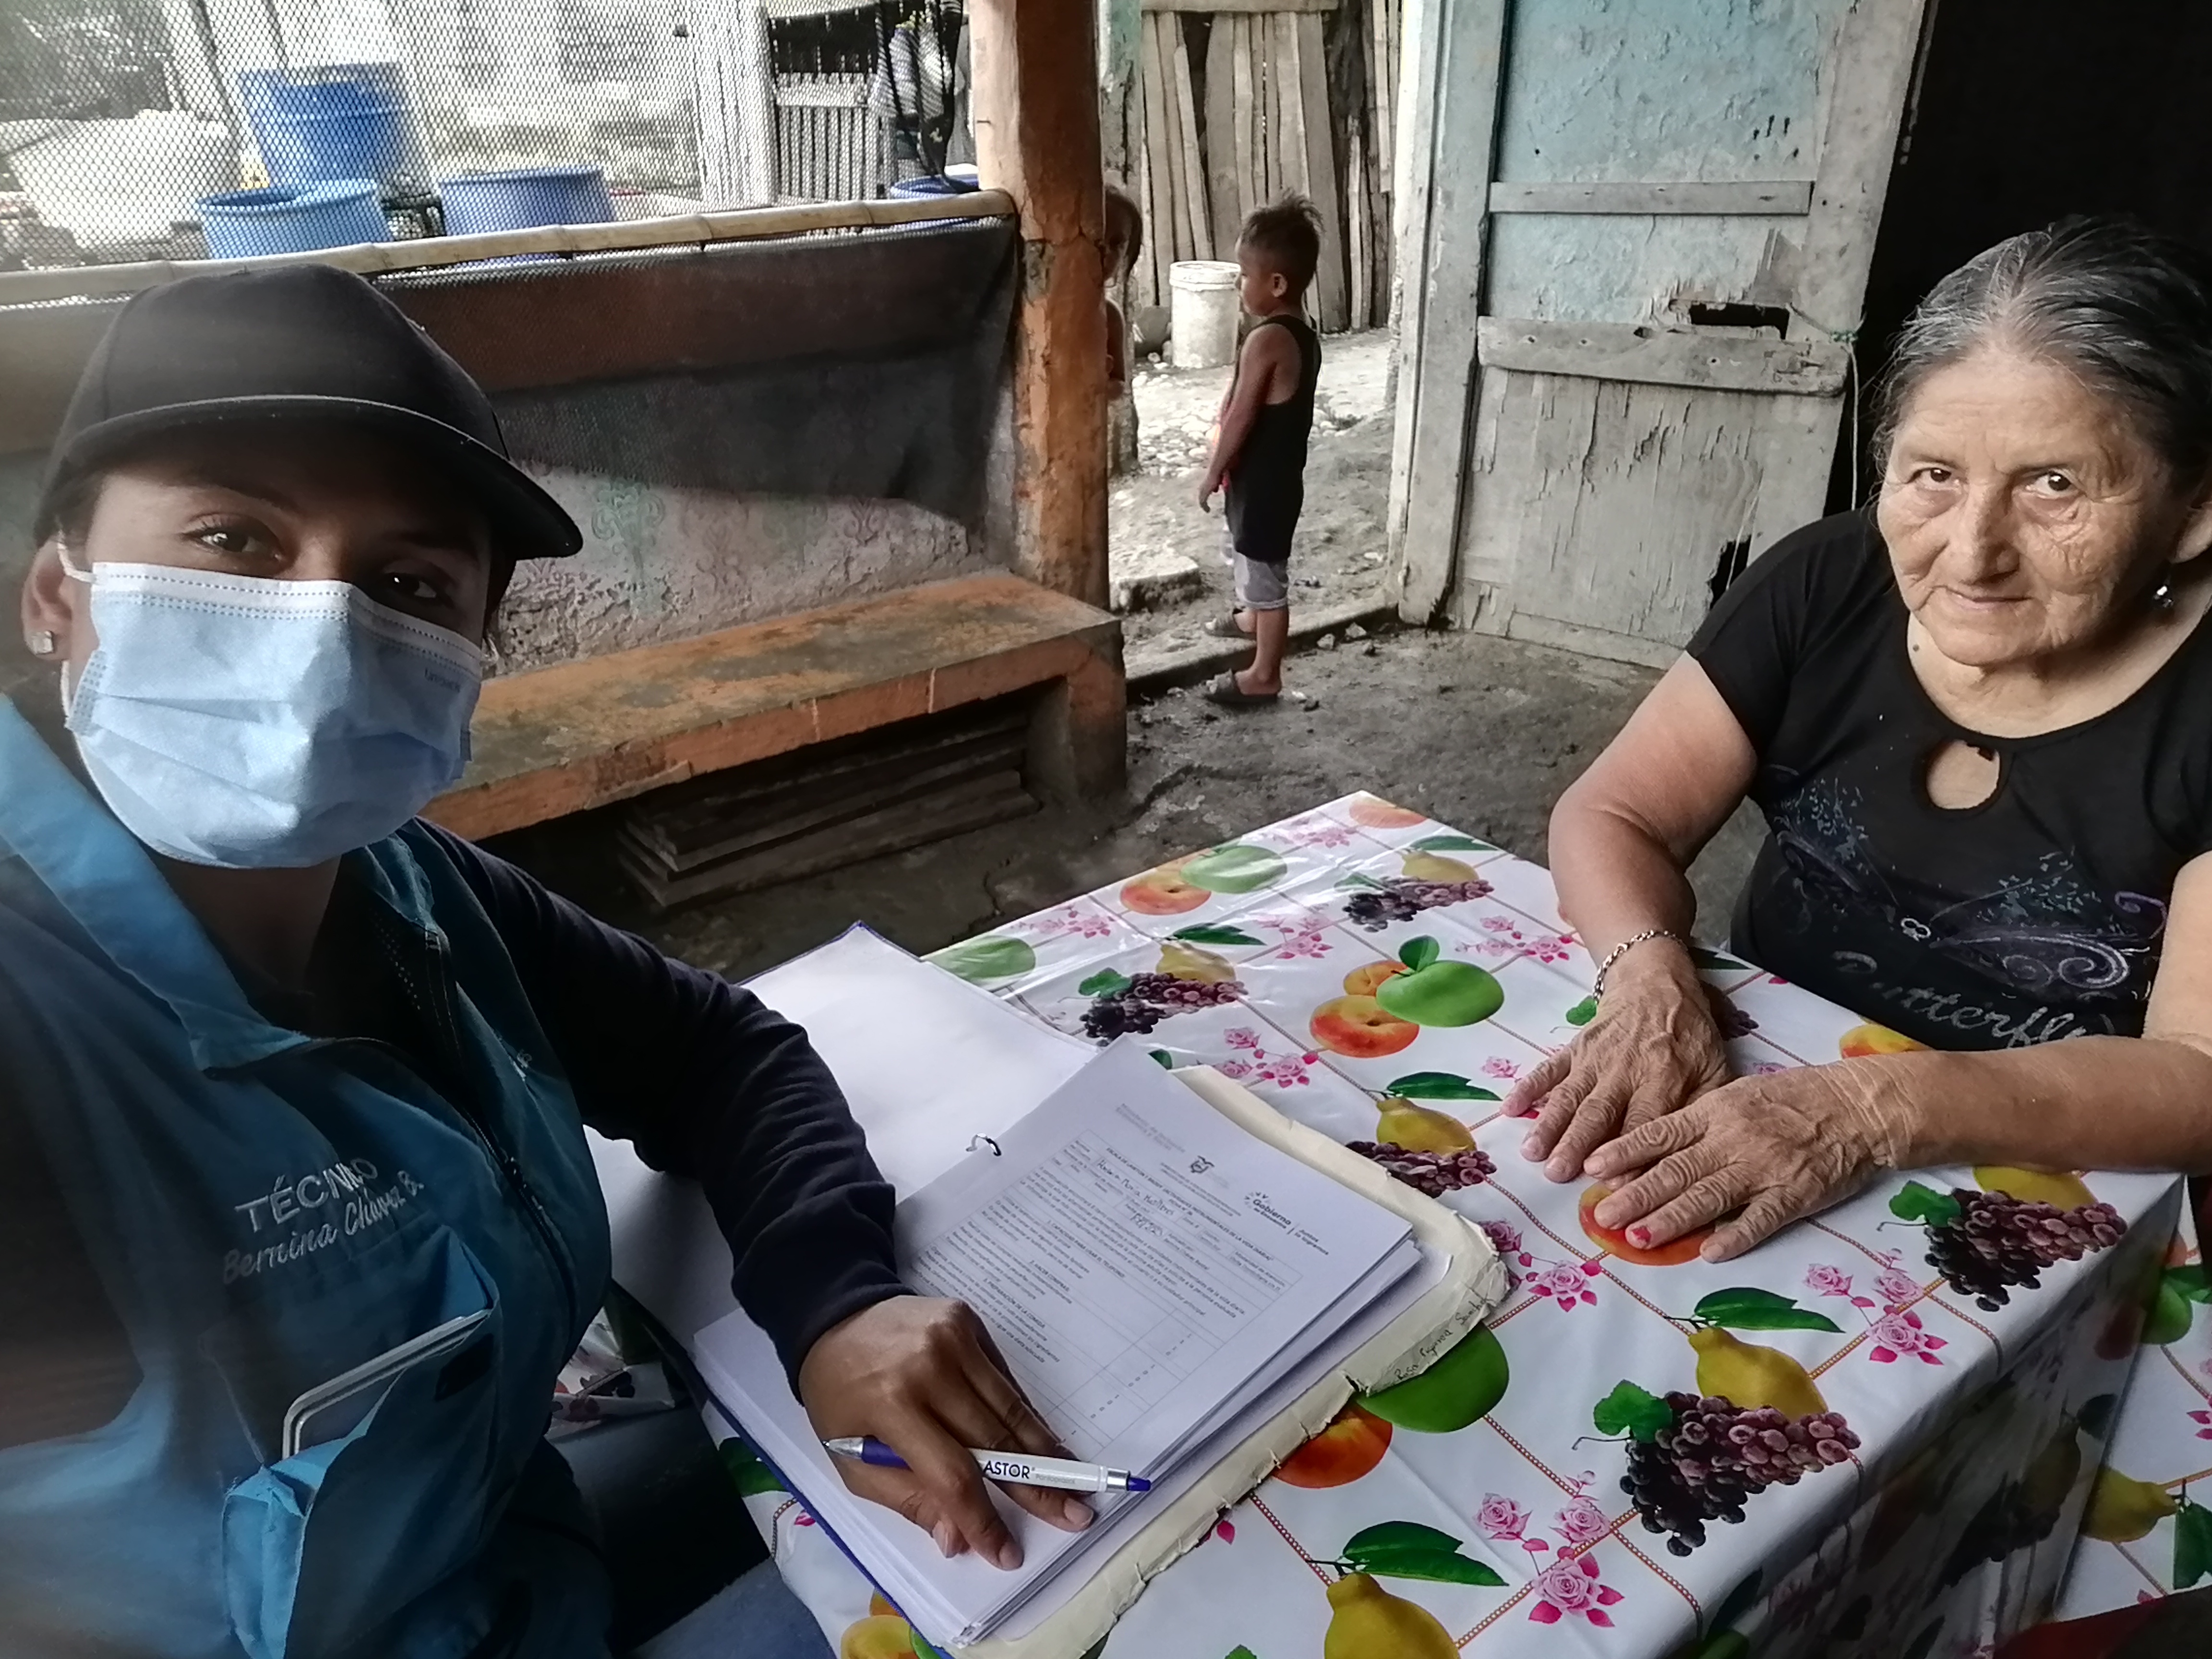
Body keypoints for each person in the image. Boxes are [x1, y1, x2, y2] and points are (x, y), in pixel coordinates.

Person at [0, 266, 1090, 1659]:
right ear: (57, 594)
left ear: (465, 659)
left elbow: (717, 1051)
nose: (320, 630)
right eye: (235, 537)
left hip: (505, 1539)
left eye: (407, 583)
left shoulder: (424, 893)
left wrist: (837, 1304)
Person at [1504, 217, 2212, 1262]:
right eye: (1933, 475)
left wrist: (1873, 1107)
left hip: (2046, 1156)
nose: (1970, 552)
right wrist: (1647, 976)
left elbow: (2196, 1073)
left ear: (2194, 507)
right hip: (1750, 1076)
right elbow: (1614, 811)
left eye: (2054, 485)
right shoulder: (1825, 582)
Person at [1197, 196, 1324, 708]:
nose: (1239, 284)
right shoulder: (1302, 334)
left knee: (1265, 575)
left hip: (1265, 484)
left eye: (1244, 275)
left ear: (1276, 284)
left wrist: (1213, 470)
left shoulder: (1267, 340)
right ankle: (1250, 617)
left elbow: (1242, 416)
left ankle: (1265, 673)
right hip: (1272, 478)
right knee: (1248, 553)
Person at [1103, 180, 1143, 398]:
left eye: (1117, 244)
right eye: (1097, 240)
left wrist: (1099, 384)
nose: (1107, 253)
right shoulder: (1033, 306)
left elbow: (1118, 384)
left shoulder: (1109, 316)